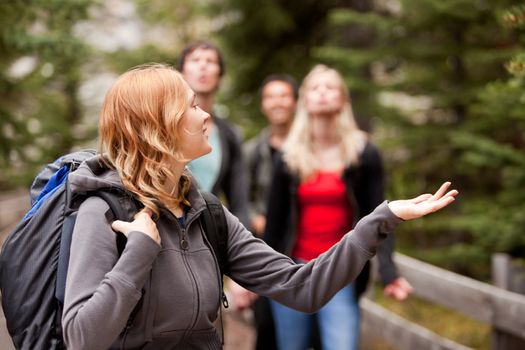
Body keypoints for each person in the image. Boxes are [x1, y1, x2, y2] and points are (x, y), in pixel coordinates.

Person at [61, 63, 457, 349]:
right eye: (193, 106)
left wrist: (381, 219)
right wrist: (139, 253)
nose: (206, 116)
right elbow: (82, 336)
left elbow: (302, 287)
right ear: (158, 124)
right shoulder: (105, 211)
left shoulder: (207, 212)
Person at [264, 64, 414, 350]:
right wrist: (258, 277)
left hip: (340, 268)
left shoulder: (363, 154)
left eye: (330, 87)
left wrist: (389, 273)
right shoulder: (288, 157)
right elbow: (275, 223)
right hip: (292, 269)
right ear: (305, 100)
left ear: (343, 99)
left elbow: (380, 217)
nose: (322, 94)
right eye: (315, 88)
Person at [234, 74, 299, 349]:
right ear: (263, 104)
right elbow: (240, 198)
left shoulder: (309, 149)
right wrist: (255, 218)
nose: (277, 103)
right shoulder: (252, 151)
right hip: (266, 249)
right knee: (267, 326)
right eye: (271, 96)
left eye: (283, 95)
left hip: (303, 247)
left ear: (295, 102)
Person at [176, 41, 249, 226]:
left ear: (220, 76)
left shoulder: (230, 135)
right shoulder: (167, 126)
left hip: (210, 231)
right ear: (181, 72)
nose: (203, 66)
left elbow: (239, 199)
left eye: (210, 61)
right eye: (195, 60)